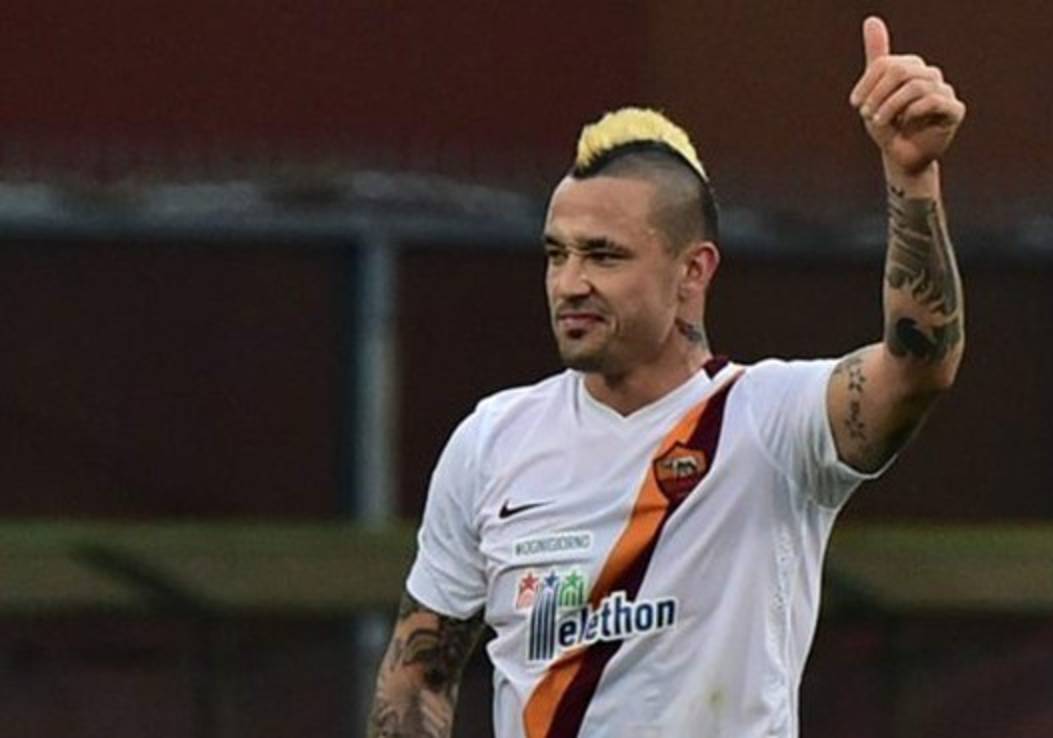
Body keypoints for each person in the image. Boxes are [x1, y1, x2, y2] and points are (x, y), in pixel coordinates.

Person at [368, 15, 966, 738]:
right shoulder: (491, 441)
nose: (570, 282)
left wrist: (912, 177)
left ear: (693, 271)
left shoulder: (769, 421)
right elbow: (418, 677)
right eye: (556, 254)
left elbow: (918, 366)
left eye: (604, 255)